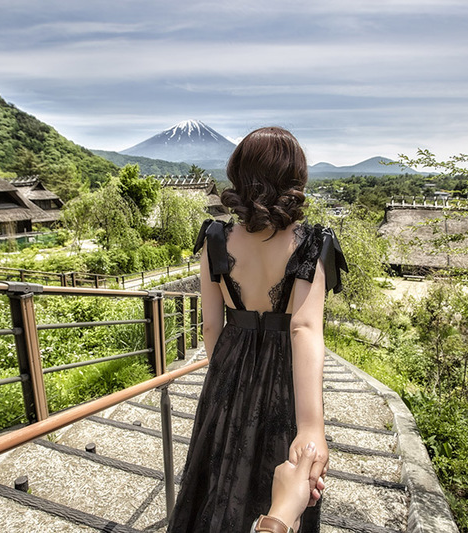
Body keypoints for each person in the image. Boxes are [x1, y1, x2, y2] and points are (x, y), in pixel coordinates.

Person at [167, 126, 347, 533]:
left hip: (228, 367)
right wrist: (311, 426)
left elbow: (211, 324)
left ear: (238, 175)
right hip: (285, 374)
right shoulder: (312, 243)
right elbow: (303, 328)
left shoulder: (216, 238)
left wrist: (226, 378)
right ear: (295, 178)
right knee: (282, 471)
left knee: (218, 471)